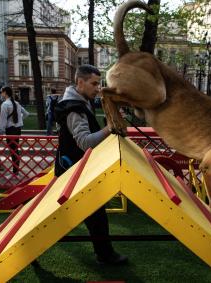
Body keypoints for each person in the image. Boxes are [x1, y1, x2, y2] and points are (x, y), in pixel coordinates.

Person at [54, 64, 128, 265]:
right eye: (94, 84)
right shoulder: (74, 108)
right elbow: (85, 142)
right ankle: (105, 255)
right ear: (80, 82)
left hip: (73, 168)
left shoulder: (80, 101)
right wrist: (110, 128)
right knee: (96, 216)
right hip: (74, 171)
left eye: (99, 83)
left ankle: (30, 244)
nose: (98, 88)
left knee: (70, 215)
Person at [0, 86, 29, 178]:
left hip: (10, 130)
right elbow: (27, 113)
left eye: (1, 92)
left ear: (5, 93)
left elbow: (2, 121)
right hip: (17, 129)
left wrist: (0, 133)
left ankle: (15, 173)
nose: (1, 94)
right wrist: (19, 121)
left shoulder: (5, 104)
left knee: (13, 151)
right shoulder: (17, 103)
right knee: (15, 150)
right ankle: (16, 171)